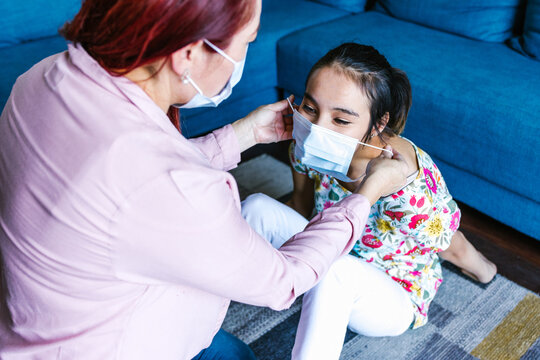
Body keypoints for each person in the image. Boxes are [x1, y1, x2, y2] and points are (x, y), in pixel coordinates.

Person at [0, 2, 411, 359]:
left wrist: (244, 134)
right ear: (189, 54)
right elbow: (282, 281)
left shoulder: (38, 79)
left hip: (38, 324)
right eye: (247, 41)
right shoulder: (171, 186)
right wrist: (367, 194)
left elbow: (133, 184)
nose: (246, 53)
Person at [241, 42, 497, 360]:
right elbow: (301, 206)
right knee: (256, 207)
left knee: (338, 271)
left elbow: (445, 241)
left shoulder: (408, 178)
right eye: (309, 108)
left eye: (341, 120)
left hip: (392, 292)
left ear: (377, 124)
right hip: (329, 251)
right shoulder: (305, 145)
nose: (318, 129)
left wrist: (482, 269)